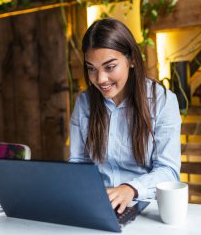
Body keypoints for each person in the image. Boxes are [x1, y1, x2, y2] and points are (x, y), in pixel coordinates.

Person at [69, 18, 181, 214]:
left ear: (131, 60)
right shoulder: (84, 102)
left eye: (110, 67)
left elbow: (169, 171)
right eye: (91, 68)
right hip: (98, 206)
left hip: (146, 207)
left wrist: (130, 189)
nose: (100, 79)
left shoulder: (162, 101)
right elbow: (78, 163)